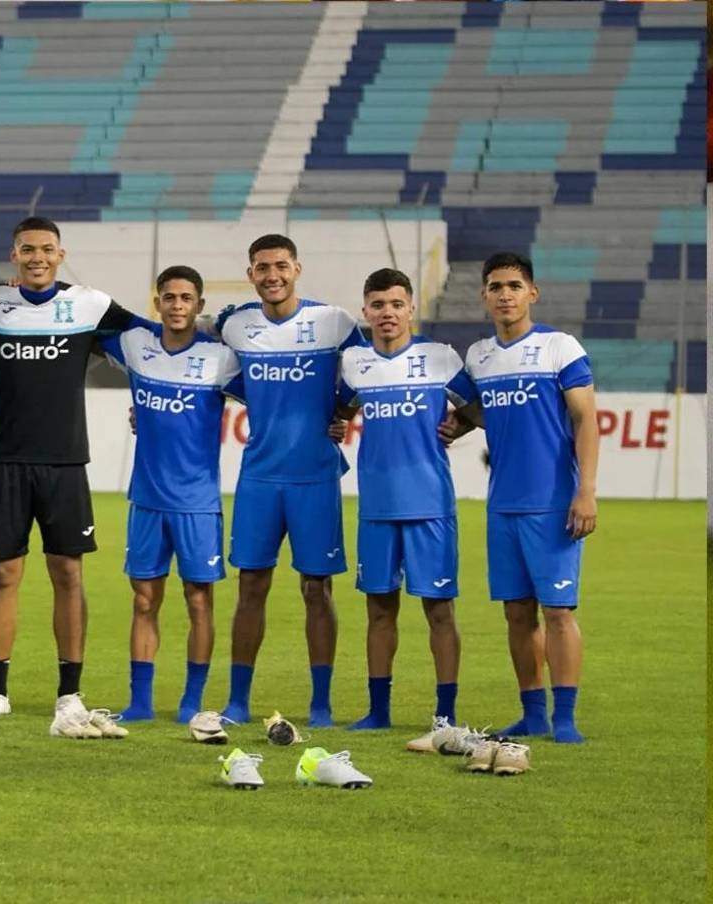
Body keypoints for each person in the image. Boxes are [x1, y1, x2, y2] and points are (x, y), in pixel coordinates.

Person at [0, 216, 149, 738]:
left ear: (61, 254)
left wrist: (152, 404)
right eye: (27, 249)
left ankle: (69, 692)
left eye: (46, 249)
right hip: (7, 462)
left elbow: (152, 342)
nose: (37, 257)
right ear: (14, 255)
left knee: (68, 576)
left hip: (65, 463)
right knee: (4, 576)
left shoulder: (91, 304)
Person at [217, 234, 366, 726]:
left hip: (315, 477)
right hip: (259, 476)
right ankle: (237, 701)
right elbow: (212, 373)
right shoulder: (235, 325)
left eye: (281, 266)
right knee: (250, 586)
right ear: (251, 274)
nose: (272, 275)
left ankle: (321, 704)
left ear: (297, 268)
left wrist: (342, 409)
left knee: (316, 589)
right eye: (263, 267)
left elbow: (369, 368)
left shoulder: (333, 322)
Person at [458, 252, 598, 744]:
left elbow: (585, 419)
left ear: (532, 293)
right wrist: (456, 423)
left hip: (554, 502)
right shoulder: (478, 356)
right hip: (503, 506)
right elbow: (466, 409)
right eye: (495, 286)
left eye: (514, 285)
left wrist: (586, 491)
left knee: (558, 612)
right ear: (484, 296)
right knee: (516, 613)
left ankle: (565, 718)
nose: (505, 295)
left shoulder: (559, 348)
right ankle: (533, 713)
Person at [334, 269, 478, 734]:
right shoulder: (355, 362)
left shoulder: (438, 358)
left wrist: (461, 424)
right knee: (379, 610)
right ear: (366, 312)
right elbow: (338, 410)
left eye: (396, 304)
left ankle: (445, 715)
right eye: (377, 305)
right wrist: (336, 425)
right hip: (376, 507)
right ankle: (378, 711)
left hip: (430, 505)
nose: (387, 313)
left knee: (439, 609)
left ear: (411, 308)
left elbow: (480, 402)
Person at [99, 266, 243, 724]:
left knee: (199, 599)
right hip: (147, 498)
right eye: (169, 297)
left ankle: (191, 700)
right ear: (156, 303)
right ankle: (140, 702)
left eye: (186, 298)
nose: (177, 305)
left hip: (197, 503)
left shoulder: (222, 359)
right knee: (144, 600)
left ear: (199, 305)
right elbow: (84, 324)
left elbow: (272, 395)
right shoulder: (134, 347)